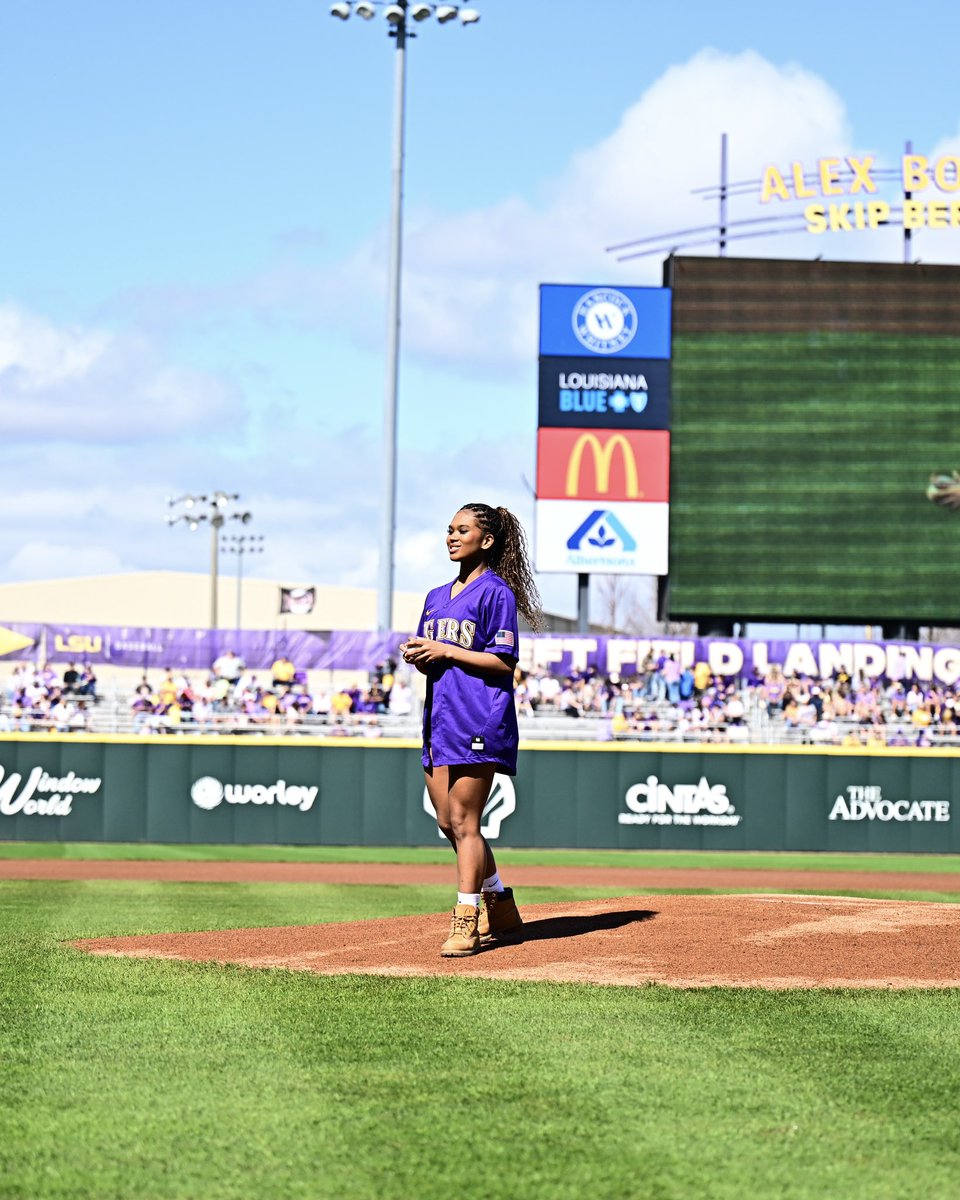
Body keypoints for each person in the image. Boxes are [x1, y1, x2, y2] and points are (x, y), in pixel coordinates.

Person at [401, 502, 541, 958]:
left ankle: (467, 921)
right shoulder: (435, 596)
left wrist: (443, 650)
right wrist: (422, 654)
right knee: (448, 822)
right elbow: (438, 655)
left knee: (465, 821)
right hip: (439, 718)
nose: (452, 536)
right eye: (449, 529)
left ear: (487, 540)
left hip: (479, 716)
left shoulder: (495, 593)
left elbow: (503, 661)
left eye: (463, 530)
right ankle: (500, 902)